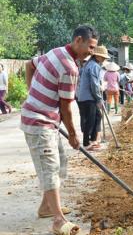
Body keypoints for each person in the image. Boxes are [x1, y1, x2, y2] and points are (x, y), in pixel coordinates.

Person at [21, 25, 98, 234]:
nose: (91, 52)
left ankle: (46, 207)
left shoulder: (55, 51)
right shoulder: (70, 68)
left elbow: (30, 65)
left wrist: (32, 95)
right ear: (78, 40)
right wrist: (74, 135)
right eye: (90, 47)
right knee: (50, 167)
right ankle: (57, 219)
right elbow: (66, 108)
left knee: (60, 161)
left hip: (48, 121)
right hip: (39, 123)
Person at [77, 45, 109, 150]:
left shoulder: (88, 65)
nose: (104, 59)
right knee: (90, 120)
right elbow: (94, 84)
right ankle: (87, 143)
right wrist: (99, 99)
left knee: (97, 116)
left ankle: (93, 140)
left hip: (83, 97)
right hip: (88, 97)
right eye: (103, 57)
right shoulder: (94, 66)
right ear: (97, 56)